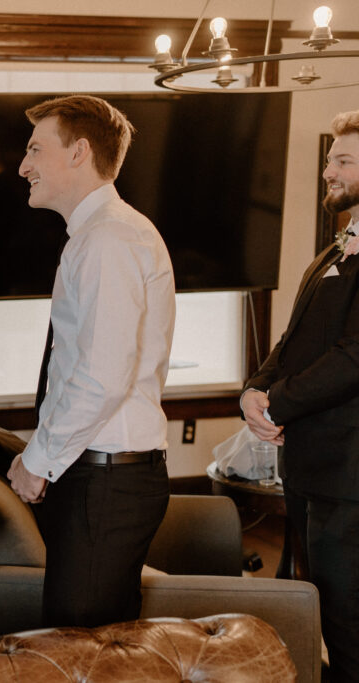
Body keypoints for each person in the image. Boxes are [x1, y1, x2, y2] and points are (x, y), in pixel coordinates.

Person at [6, 95, 175, 629]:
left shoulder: (109, 239)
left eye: (35, 149)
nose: (22, 166)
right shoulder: (97, 235)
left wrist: (39, 459)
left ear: (79, 153)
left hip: (107, 480)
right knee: (96, 648)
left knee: (80, 648)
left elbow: (102, 377)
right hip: (97, 472)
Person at [242, 109, 359, 682]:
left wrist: (279, 403)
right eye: (329, 158)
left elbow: (354, 358)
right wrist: (255, 389)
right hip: (314, 469)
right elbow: (293, 337)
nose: (327, 171)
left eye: (342, 160)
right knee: (323, 609)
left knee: (350, 622)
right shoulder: (338, 247)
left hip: (352, 475)